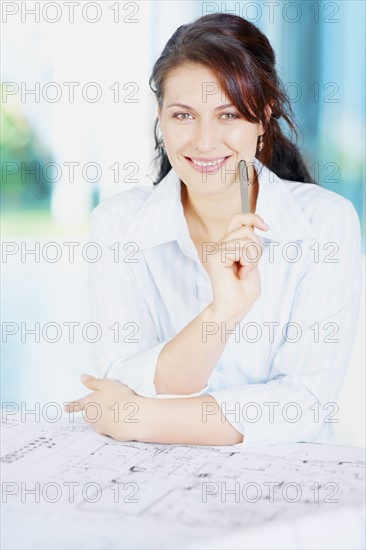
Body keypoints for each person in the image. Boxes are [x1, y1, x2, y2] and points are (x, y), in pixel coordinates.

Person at [64, 13, 362, 447]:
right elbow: (123, 374)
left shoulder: (325, 224)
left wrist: (138, 419)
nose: (204, 142)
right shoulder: (119, 225)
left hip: (286, 491)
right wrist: (220, 314)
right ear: (160, 118)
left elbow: (303, 406)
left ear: (262, 118)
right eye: (183, 115)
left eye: (227, 115)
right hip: (152, 486)